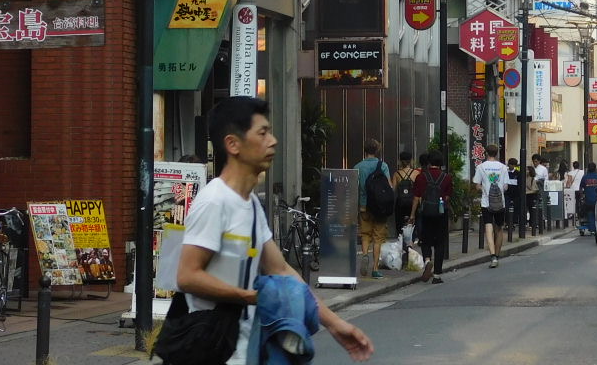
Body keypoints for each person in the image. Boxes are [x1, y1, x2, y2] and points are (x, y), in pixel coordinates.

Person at [177, 96, 372, 364]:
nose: (273, 140)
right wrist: (250, 296)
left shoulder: (250, 204)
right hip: (213, 349)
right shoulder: (214, 201)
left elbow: (281, 270)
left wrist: (335, 324)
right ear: (233, 144)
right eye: (262, 133)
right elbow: (188, 276)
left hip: (246, 349)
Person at [410, 151, 450, 284]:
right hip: (441, 213)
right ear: (441, 163)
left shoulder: (421, 177)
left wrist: (412, 215)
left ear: (429, 162)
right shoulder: (446, 177)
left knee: (425, 240)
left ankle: (427, 260)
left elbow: (416, 197)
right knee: (440, 243)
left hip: (425, 213)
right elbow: (448, 197)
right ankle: (437, 275)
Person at [354, 139, 390, 278]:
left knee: (365, 234)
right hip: (380, 207)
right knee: (378, 237)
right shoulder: (383, 166)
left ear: (365, 151)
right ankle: (375, 268)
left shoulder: (358, 166)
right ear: (377, 151)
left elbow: (354, 186)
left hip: (364, 206)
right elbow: (388, 186)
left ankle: (364, 255)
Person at [474, 145, 509, 268]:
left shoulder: (481, 167)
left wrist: (483, 189)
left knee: (488, 228)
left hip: (486, 202)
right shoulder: (503, 168)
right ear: (497, 153)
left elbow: (477, 185)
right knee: (499, 229)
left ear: (486, 153)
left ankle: (492, 256)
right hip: (500, 202)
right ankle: (497, 255)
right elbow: (505, 186)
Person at [392, 150, 418, 244]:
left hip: (400, 203)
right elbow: (418, 191)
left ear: (400, 161)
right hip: (412, 203)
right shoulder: (416, 173)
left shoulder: (396, 174)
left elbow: (393, 190)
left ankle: (402, 241)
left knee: (400, 224)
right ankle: (411, 242)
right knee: (412, 223)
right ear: (411, 160)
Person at [579, 162, 597, 237]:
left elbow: (581, 188)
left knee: (590, 213)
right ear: (595, 168)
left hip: (588, 200)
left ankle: (592, 229)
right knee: (596, 214)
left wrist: (582, 196)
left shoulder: (585, 177)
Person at [529, 154, 548, 231]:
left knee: (540, 205)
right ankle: (533, 222)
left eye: (536, 161)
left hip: (540, 189)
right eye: (533, 162)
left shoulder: (543, 169)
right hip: (532, 189)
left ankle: (540, 222)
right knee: (533, 206)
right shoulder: (531, 168)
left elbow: (546, 180)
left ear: (539, 161)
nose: (535, 163)